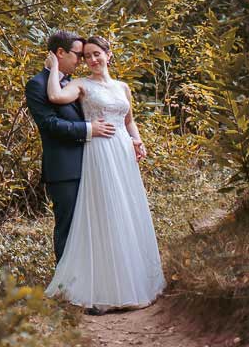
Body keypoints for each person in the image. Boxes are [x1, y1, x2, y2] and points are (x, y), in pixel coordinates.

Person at [42, 35, 165, 310]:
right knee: (106, 211)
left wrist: (138, 141)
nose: (92, 60)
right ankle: (105, 288)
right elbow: (54, 96)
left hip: (123, 152)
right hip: (99, 152)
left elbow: (129, 120)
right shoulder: (81, 85)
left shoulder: (123, 87)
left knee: (127, 210)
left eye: (97, 54)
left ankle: (134, 279)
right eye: (87, 56)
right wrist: (53, 69)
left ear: (109, 54)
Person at [23, 30, 117, 264]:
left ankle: (91, 277)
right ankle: (66, 282)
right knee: (68, 225)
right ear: (60, 53)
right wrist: (88, 129)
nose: (82, 60)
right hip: (65, 169)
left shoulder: (76, 84)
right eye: (78, 55)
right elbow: (49, 123)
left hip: (93, 162)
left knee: (92, 223)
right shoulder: (37, 84)